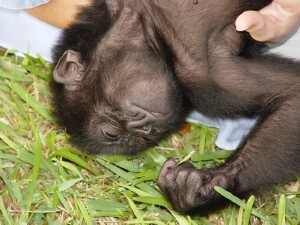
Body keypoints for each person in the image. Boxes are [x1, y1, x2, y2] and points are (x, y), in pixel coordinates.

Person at [0, 0, 299, 150]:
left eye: (111, 129)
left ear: (72, 70)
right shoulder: (209, 73)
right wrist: (226, 181)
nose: (140, 126)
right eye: (145, 136)